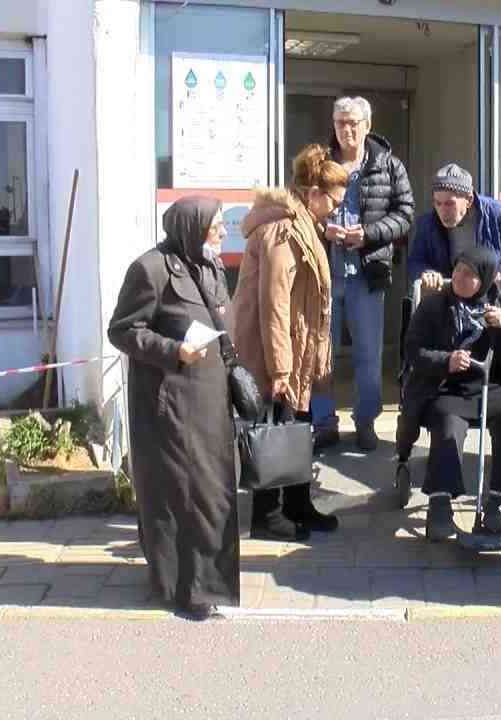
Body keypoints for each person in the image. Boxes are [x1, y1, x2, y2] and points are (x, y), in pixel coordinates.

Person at [107, 196, 237, 620]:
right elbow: (123, 330)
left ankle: (205, 580)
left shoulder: (211, 263)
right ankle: (189, 589)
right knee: (185, 494)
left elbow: (220, 324)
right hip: (170, 403)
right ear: (191, 226)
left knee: (214, 492)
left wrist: (235, 370)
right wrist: (172, 350)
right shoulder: (149, 268)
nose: (220, 231)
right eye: (215, 225)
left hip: (211, 401)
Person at [232, 144, 349, 541]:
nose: (335, 209)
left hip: (291, 343)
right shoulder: (283, 231)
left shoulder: (302, 225)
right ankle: (267, 515)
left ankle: (298, 504)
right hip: (272, 348)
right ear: (313, 193)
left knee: (297, 423)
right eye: (334, 201)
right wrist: (280, 368)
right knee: (274, 426)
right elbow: (274, 303)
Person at [397, 246, 501, 541]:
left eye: (469, 274)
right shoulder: (435, 306)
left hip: (496, 384)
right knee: (446, 420)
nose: (458, 278)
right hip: (450, 386)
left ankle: (500, 498)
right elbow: (412, 351)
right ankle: (440, 501)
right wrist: (446, 360)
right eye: (457, 270)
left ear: (486, 280)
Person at [310, 96, 415, 453]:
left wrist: (367, 235)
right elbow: (300, 206)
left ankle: (366, 421)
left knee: (368, 356)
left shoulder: (389, 165)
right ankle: (323, 422)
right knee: (321, 353)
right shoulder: (318, 163)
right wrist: (321, 227)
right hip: (323, 273)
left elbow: (405, 214)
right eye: (341, 122)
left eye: (354, 122)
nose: (347, 129)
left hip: (368, 274)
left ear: (368, 125)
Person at [408, 164, 501, 297]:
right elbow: (416, 259)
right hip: (450, 302)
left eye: (450, 204)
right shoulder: (428, 223)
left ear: (469, 200)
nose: (443, 212)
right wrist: (426, 272)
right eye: (437, 203)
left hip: (494, 300)